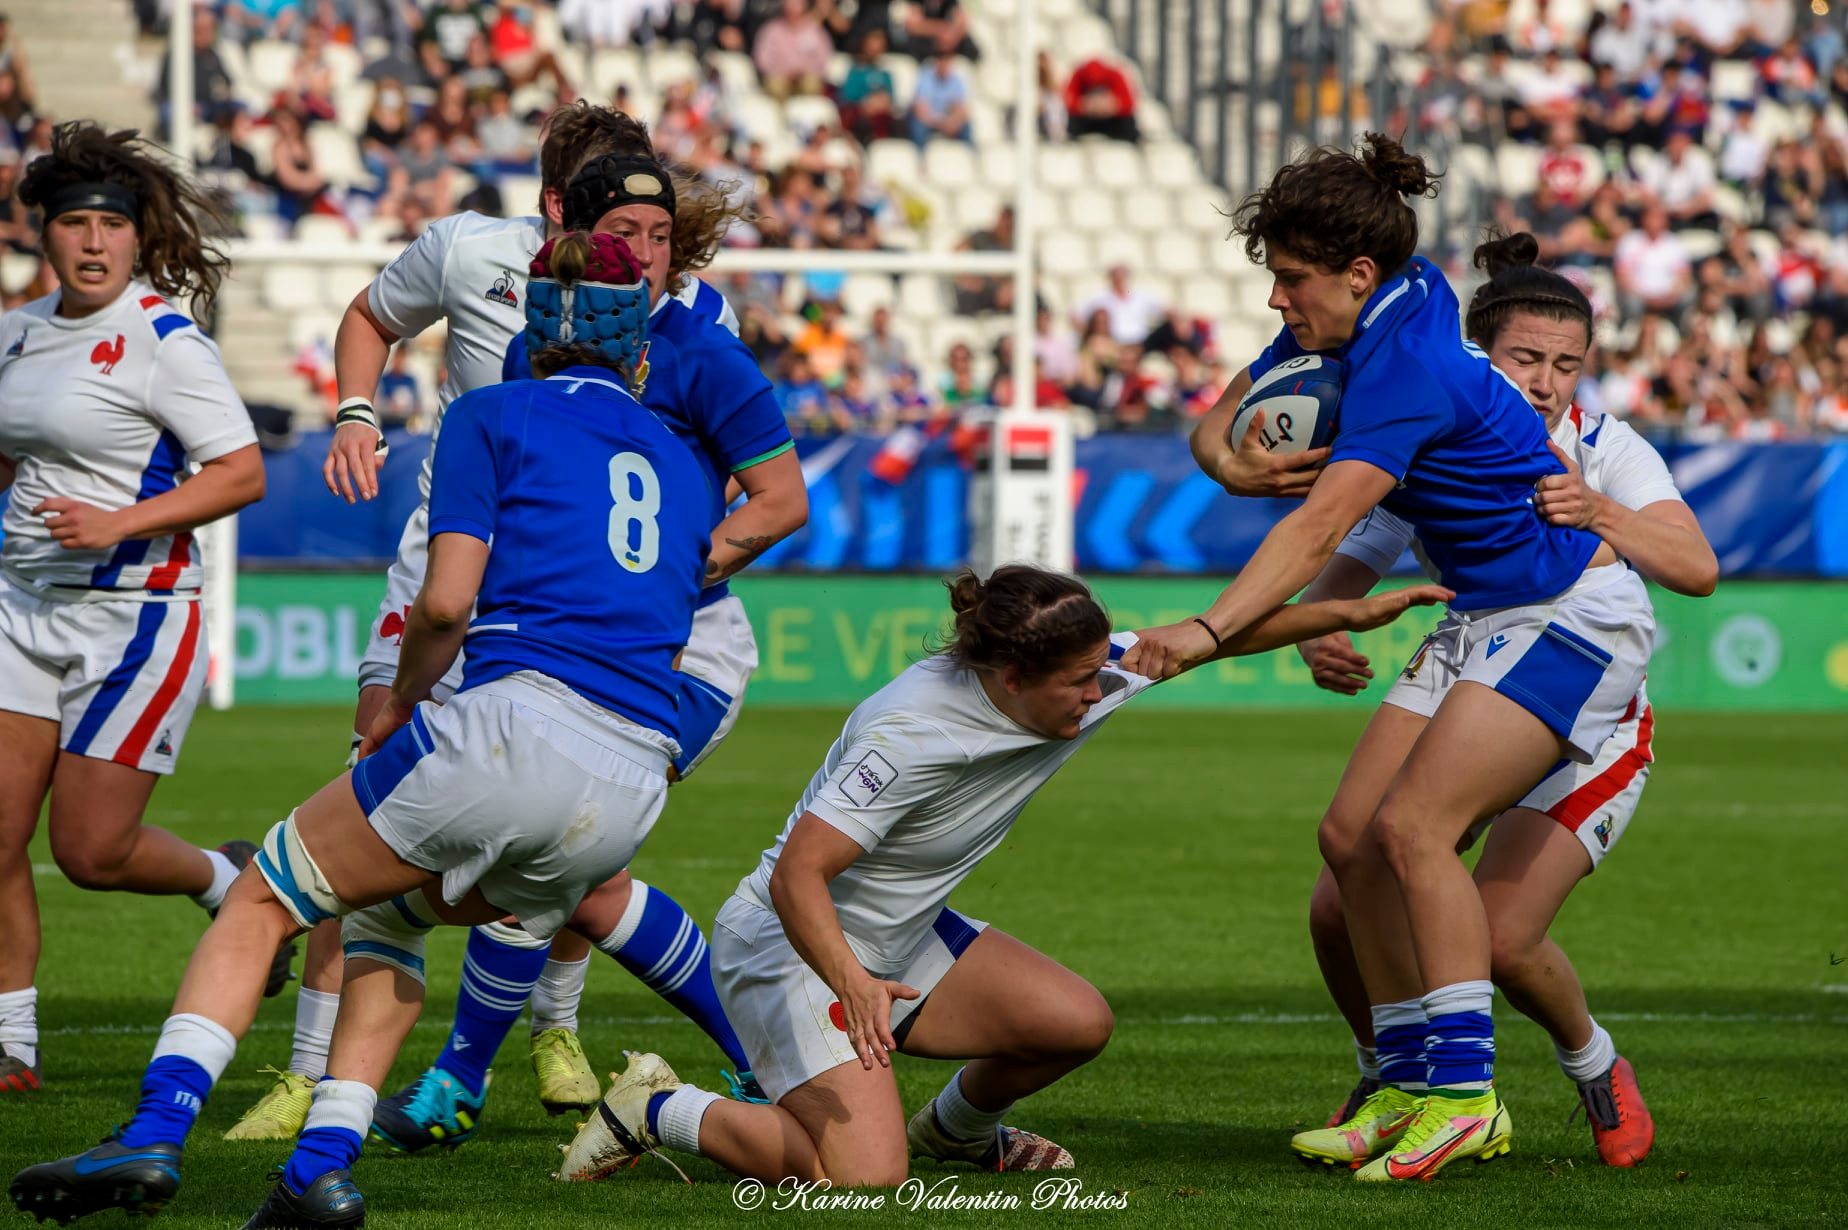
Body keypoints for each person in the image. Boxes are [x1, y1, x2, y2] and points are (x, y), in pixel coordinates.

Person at [7, 231, 712, 1228]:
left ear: (531, 326)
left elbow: (443, 606)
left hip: (512, 730)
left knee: (264, 897)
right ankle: (320, 1171)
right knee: (390, 918)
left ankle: (154, 1133)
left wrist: (397, 705)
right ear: (637, 346)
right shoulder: (686, 464)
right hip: (631, 782)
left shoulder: (491, 413)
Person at [226, 105, 803, 1143]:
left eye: (656, 225)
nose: (638, 247)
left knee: (568, 865)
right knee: (398, 816)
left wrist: (676, 576)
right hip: (473, 605)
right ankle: (326, 1078)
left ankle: (504, 1058)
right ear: (556, 215)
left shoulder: (695, 335)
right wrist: (356, 413)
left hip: (626, 638)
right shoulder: (475, 263)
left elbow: (772, 496)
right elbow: (372, 321)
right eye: (611, 217)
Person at [555, 565, 1451, 1186]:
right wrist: (853, 985)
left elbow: (1205, 639)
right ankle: (661, 1108)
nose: (1098, 694)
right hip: (795, 948)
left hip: (899, 941)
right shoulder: (908, 734)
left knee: (1073, 1023)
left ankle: (958, 1130)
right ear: (1013, 677)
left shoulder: (1073, 670)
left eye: (1100, 673)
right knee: (859, 1182)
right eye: (1077, 683)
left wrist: (1344, 616)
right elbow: (798, 876)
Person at [1139, 133, 1658, 1182]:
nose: (1279, 301)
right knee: (1351, 840)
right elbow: (1215, 427)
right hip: (1491, 609)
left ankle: (1464, 1096)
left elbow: (1319, 531)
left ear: (1354, 272)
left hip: (1572, 607)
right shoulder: (1396, 298)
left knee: (1415, 828)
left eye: (1290, 280)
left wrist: (1208, 630)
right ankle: (1406, 1084)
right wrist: (1233, 469)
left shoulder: (1406, 367)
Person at [1290, 232, 1716, 1172]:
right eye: (1529, 358)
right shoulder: (1445, 423)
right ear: (1481, 355)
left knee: (1502, 937)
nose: (1550, 381)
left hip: (1587, 711)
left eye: (1569, 364)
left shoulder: (1608, 448)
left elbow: (1697, 568)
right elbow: (1351, 555)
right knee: (1345, 878)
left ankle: (1587, 1067)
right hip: (1480, 652)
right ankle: (1395, 1080)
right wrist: (1323, 620)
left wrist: (1600, 509)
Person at [0, 121, 275, 1096]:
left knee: (88, 851)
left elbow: (241, 473)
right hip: (20, 607)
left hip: (139, 615)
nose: (89, 243)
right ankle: (11, 1044)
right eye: (70, 224)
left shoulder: (164, 340)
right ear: (43, 235)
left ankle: (223, 880)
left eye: (105, 228)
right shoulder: (17, 332)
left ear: (134, 238)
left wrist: (120, 520)